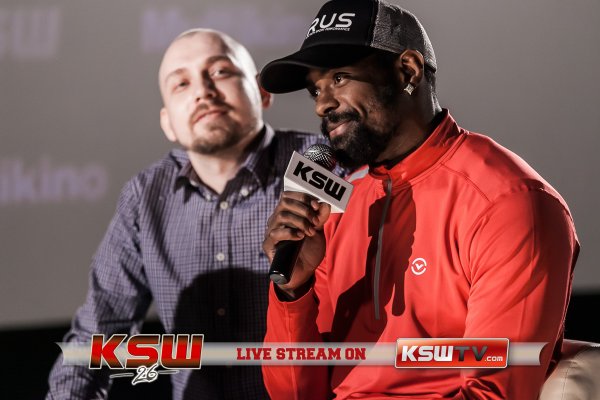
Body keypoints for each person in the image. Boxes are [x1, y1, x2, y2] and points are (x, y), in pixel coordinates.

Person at [260, 0, 579, 399]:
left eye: (339, 78)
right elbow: (292, 394)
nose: (323, 104)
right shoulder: (338, 210)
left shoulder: (508, 202)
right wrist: (295, 292)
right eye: (316, 90)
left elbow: (495, 393)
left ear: (408, 71)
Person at [47, 28, 323, 399]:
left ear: (262, 92)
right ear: (168, 123)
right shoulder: (145, 197)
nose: (203, 91)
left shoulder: (320, 165)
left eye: (221, 72)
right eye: (181, 84)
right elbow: (95, 337)